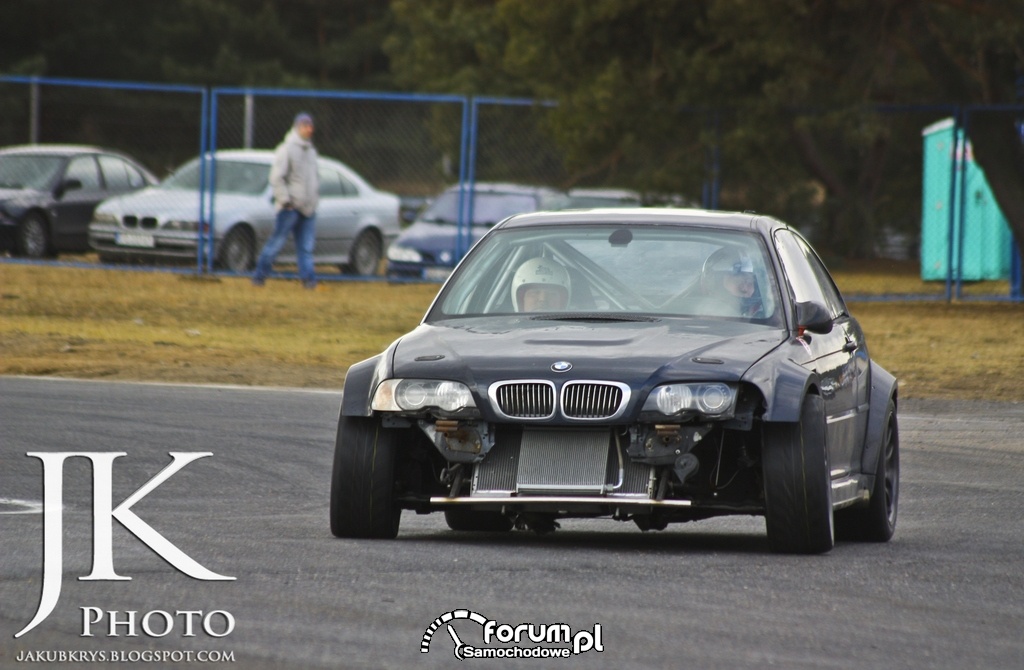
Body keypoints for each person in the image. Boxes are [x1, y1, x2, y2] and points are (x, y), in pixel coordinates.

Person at [252, 112, 320, 289]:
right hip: (290, 208)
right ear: (297, 127)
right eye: (306, 126)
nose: (309, 129)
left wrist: (314, 201)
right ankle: (259, 276)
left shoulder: (311, 151)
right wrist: (285, 200)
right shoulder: (287, 149)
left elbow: (314, 178)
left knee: (306, 248)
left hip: (308, 209)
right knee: (276, 243)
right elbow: (276, 178)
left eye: (310, 125)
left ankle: (309, 281)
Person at [699, 247, 763, 317]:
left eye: (750, 281)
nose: (746, 289)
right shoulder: (704, 314)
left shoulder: (764, 314)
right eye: (739, 283)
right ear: (716, 283)